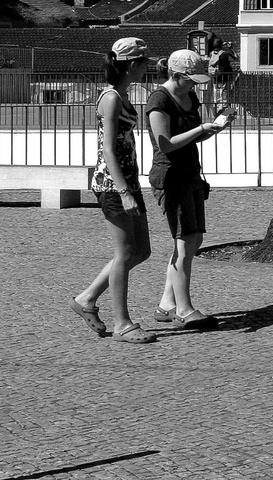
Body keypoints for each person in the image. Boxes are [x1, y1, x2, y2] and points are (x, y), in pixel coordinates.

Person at [73, 37, 157, 344]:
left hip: (127, 183)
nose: (148, 68)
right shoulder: (110, 98)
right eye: (145, 63)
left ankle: (86, 298)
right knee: (124, 253)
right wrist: (123, 190)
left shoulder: (120, 95)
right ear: (132, 65)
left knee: (141, 250)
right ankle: (123, 323)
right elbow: (107, 149)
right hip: (112, 184)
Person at [146, 50, 231, 329]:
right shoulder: (159, 99)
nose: (195, 86)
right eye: (191, 80)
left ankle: (167, 304)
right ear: (176, 75)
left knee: (193, 241)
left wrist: (213, 128)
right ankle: (184, 309)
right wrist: (200, 130)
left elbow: (192, 137)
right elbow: (165, 143)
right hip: (171, 177)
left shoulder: (189, 96)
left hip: (190, 173)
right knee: (185, 241)